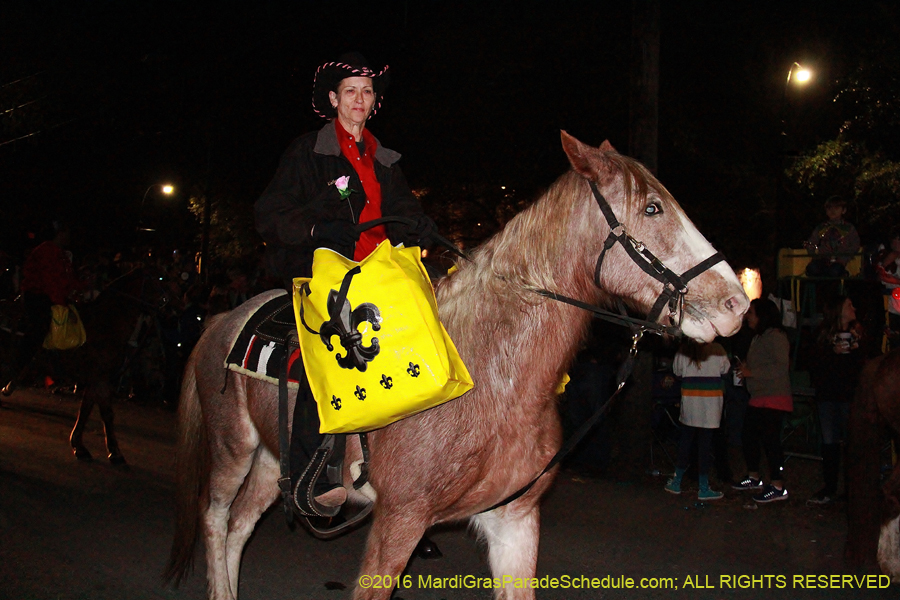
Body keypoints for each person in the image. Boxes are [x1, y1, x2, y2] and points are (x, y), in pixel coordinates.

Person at [254, 53, 437, 515]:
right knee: (335, 348)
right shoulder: (306, 152)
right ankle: (306, 476)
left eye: (368, 92)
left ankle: (413, 475)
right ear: (334, 99)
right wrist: (316, 232)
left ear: (375, 102)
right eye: (351, 91)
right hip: (326, 269)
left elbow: (403, 212)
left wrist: (424, 228)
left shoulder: (385, 158)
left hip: (380, 271)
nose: (360, 99)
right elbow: (269, 214)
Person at [2, 222, 83, 397]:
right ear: (59, 234)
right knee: (39, 330)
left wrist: (79, 289)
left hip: (51, 296)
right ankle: (16, 369)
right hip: (38, 296)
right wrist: (63, 304)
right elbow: (50, 281)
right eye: (66, 233)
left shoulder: (60, 254)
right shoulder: (47, 251)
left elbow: (66, 278)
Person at [732, 297, 793, 503]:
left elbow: (779, 366)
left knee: (770, 441)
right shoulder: (758, 337)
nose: (748, 317)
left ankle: (777, 484)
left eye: (751, 313)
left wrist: (752, 372)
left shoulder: (776, 336)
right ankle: (754, 476)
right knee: (749, 436)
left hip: (773, 396)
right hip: (758, 396)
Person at [807, 295, 866, 504]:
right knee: (829, 443)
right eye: (849, 305)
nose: (854, 308)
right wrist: (832, 352)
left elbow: (863, 367)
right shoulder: (823, 335)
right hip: (828, 397)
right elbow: (814, 366)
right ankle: (830, 487)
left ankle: (852, 491)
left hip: (850, 397)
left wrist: (857, 349)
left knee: (851, 445)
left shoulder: (858, 333)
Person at [665, 340, 730, 500]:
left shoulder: (684, 350)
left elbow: (677, 372)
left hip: (690, 403)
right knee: (705, 445)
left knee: (686, 442)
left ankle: (676, 481)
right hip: (711, 405)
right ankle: (703, 486)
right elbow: (726, 370)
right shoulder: (717, 349)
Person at [804, 197, 861, 278]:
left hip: (840, 260)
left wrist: (845, 257)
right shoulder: (821, 227)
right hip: (823, 259)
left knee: (834, 272)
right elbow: (811, 242)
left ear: (843, 210)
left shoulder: (848, 228)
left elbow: (855, 244)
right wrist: (813, 255)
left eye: (836, 208)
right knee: (812, 269)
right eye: (829, 208)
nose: (832, 211)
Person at [876, 228, 900, 349]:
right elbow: (881, 276)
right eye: (895, 239)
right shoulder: (884, 255)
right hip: (892, 303)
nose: (897, 242)